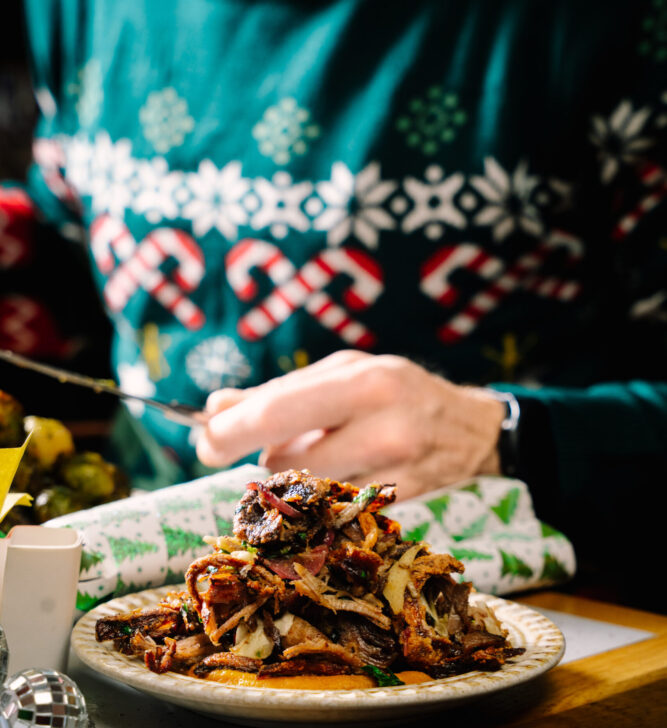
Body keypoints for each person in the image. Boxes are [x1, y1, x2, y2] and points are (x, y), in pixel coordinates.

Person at [5, 0, 664, 601]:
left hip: (501, 602)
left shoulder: (613, 27)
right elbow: (72, 244)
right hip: (113, 582)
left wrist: (508, 438)